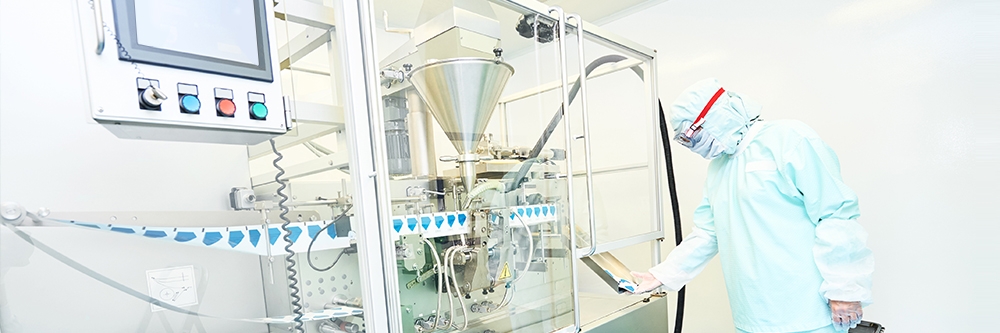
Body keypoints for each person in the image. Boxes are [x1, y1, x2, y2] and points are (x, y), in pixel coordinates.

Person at [631, 78, 875, 332]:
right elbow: (706, 233)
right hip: (752, 316)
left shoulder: (789, 138)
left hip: (807, 313)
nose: (693, 146)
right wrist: (661, 275)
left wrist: (845, 289)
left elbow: (836, 214)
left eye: (693, 135)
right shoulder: (718, 169)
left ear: (716, 116)